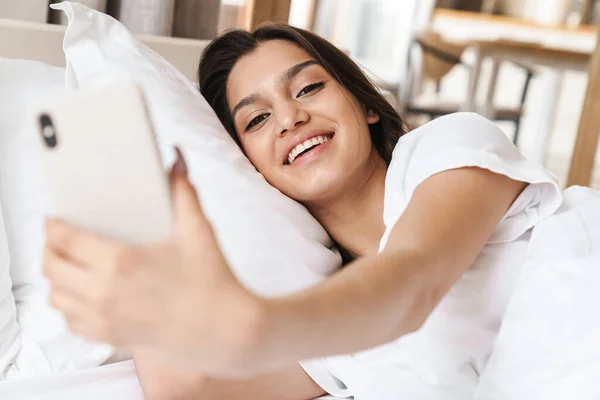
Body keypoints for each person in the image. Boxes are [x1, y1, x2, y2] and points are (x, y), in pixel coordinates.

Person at [43, 24, 599, 400]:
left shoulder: (445, 151)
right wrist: (121, 214)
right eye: (256, 121)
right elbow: (188, 390)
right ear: (251, 170)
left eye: (308, 88)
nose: (288, 119)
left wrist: (258, 327)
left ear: (363, 105)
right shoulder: (335, 332)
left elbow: (413, 280)